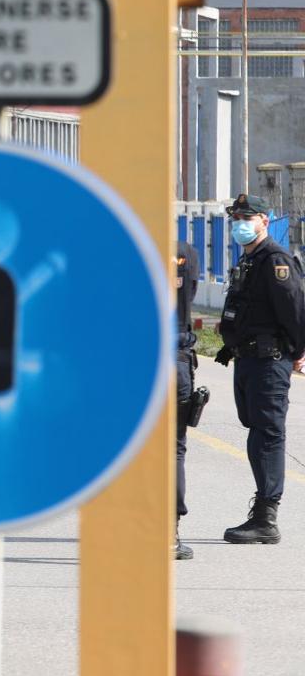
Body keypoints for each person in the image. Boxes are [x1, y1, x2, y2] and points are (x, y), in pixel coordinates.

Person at [215, 193, 305, 545]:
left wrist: (300, 351)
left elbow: (295, 310)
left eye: (246, 217)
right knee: (256, 431)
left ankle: (266, 517)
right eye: (236, 218)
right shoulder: (250, 259)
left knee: (267, 434)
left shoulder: (275, 260)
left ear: (264, 221)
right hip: (249, 360)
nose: (240, 223)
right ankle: (263, 511)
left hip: (269, 362)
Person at [175, 240, 200, 560]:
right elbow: (188, 296)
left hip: (127, 364)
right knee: (173, 448)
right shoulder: (185, 252)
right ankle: (169, 531)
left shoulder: (119, 241)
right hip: (176, 359)